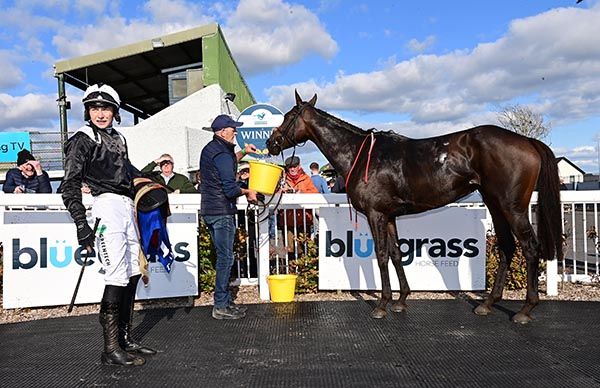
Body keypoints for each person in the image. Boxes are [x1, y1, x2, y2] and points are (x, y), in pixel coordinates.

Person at [60, 83, 154, 367]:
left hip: (126, 206)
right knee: (115, 274)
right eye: (95, 108)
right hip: (106, 207)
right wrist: (81, 224)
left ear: (115, 112)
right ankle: (110, 348)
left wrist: (152, 183)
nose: (101, 113)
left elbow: (127, 171)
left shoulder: (119, 138)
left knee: (133, 270)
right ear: (88, 112)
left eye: (106, 108)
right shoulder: (83, 138)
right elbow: (70, 184)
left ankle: (125, 339)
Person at [199, 114, 258, 320]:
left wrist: (243, 152)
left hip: (210, 210)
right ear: (224, 131)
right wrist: (248, 192)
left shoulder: (213, 149)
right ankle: (221, 305)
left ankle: (223, 302)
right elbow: (231, 189)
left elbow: (226, 164)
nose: (236, 132)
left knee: (222, 257)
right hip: (222, 211)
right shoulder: (222, 153)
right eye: (234, 129)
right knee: (226, 258)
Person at [278, 156, 318, 258]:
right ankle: (292, 272)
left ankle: (305, 272)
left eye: (294, 166)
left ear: (299, 166)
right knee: (290, 250)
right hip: (288, 222)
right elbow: (273, 195)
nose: (292, 169)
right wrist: (280, 191)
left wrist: (301, 193)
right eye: (290, 167)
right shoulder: (282, 179)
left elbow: (315, 194)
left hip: (304, 221)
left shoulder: (306, 179)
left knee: (305, 249)